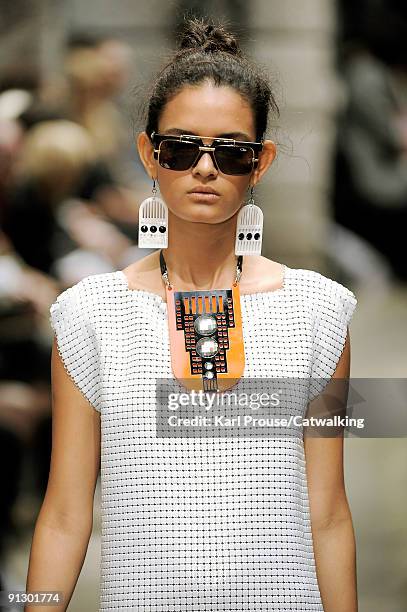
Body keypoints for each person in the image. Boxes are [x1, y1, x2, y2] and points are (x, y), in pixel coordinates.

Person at [25, 17, 358, 611]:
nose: (205, 168)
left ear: (261, 162)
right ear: (149, 154)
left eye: (231, 152)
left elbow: (327, 509)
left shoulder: (320, 312)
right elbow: (66, 513)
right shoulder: (88, 316)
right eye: (181, 148)